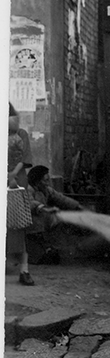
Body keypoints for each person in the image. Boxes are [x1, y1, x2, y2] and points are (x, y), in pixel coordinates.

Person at [26, 165, 84, 262]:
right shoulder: (27, 189)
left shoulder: (46, 189)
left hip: (41, 224)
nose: (47, 183)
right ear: (37, 181)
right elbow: (29, 203)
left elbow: (60, 198)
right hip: (30, 227)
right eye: (45, 180)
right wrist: (43, 208)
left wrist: (77, 206)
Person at [7, 103, 34, 285]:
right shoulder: (19, 133)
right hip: (13, 181)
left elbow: (25, 159)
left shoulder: (20, 134)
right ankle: (21, 269)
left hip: (15, 184)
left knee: (17, 225)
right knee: (15, 226)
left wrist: (11, 175)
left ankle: (24, 269)